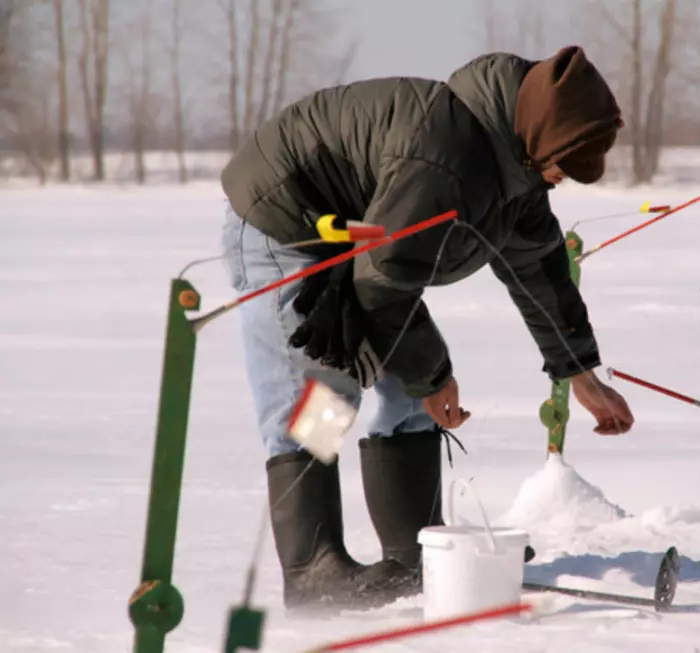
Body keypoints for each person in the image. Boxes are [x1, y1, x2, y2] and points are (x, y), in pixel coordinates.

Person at [219, 45, 635, 611]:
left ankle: (416, 553)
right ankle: (314, 573)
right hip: (284, 224)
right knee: (324, 400)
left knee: (410, 394)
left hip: (362, 245)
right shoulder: (448, 157)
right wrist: (435, 373)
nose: (561, 179)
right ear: (541, 136)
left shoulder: (517, 172)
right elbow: (384, 281)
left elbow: (539, 273)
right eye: (563, 164)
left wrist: (580, 374)